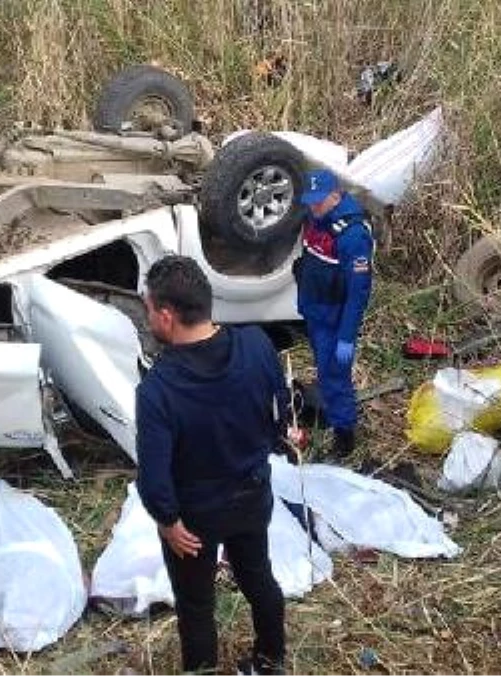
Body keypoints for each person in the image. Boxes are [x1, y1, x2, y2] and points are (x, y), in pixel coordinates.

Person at [135, 256, 289, 674]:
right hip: (252, 494)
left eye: (148, 308)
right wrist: (276, 439)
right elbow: (281, 408)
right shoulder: (257, 344)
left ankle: (202, 670)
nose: (147, 315)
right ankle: (271, 660)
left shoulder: (158, 389)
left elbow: (153, 472)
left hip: (195, 519)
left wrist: (167, 520)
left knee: (197, 605)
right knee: (259, 579)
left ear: (167, 316)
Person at [293, 168, 374, 459]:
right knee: (325, 371)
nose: (313, 207)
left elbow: (358, 292)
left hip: (334, 319)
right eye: (310, 201)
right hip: (315, 311)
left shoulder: (352, 236)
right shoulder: (314, 218)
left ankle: (344, 437)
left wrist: (347, 336)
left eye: (319, 201)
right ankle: (334, 413)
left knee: (334, 377)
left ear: (336, 196)